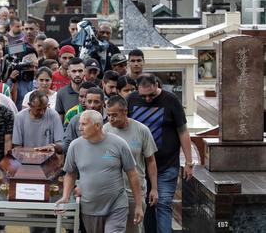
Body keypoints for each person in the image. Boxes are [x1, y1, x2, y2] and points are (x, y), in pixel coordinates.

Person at [56, 110, 144, 233]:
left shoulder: (119, 144)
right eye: (80, 124)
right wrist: (65, 197)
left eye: (84, 124)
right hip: (89, 208)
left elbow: (133, 174)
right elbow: (70, 174)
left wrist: (139, 205)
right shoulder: (75, 146)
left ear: (97, 125)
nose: (80, 128)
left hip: (116, 205)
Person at [127, 74, 193, 233]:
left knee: (163, 204)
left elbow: (183, 131)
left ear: (157, 85)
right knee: (146, 206)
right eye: (143, 96)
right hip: (140, 167)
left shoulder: (170, 100)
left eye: (151, 95)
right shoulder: (131, 99)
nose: (148, 99)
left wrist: (189, 162)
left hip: (166, 164)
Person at [104, 96, 158, 233]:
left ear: (125, 111)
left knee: (134, 229)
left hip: (135, 192)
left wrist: (154, 189)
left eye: (114, 115)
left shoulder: (142, 130)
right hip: (111, 193)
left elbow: (150, 161)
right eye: (108, 115)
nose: (111, 119)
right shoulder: (105, 131)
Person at [62, 87, 107, 154]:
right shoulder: (76, 120)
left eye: (96, 102)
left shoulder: (110, 118)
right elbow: (67, 144)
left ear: (103, 103)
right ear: (85, 102)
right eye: (89, 102)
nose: (92, 105)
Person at [55, 57, 85, 123]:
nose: (77, 74)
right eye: (74, 71)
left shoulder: (94, 90)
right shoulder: (61, 93)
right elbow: (60, 122)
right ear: (68, 72)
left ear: (85, 71)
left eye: (80, 71)